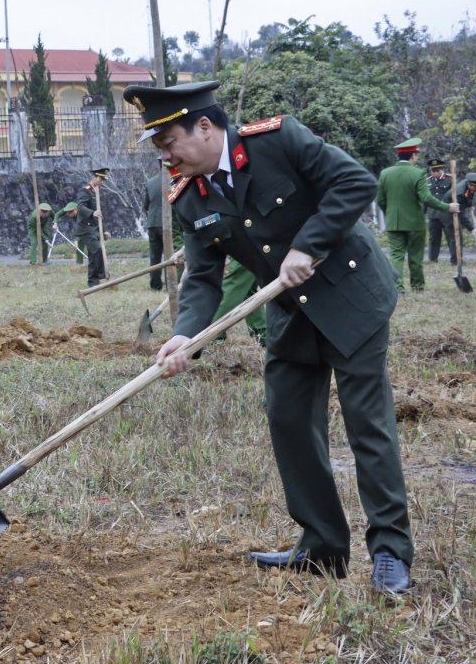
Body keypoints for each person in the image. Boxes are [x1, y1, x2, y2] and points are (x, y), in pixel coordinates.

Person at [129, 80, 413, 596]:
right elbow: (202, 278)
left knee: (366, 424)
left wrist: (308, 245)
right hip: (289, 312)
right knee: (288, 420)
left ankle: (391, 551)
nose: (165, 156)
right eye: (159, 148)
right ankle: (322, 548)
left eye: (169, 142)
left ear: (206, 127)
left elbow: (354, 183)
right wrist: (185, 335)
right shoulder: (188, 196)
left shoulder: (278, 141)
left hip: (351, 296)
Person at [375, 137, 458, 293]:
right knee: (415, 256)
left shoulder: (385, 173)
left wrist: (391, 212)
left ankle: (397, 289)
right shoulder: (418, 173)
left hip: (393, 223)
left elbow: (380, 200)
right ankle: (417, 287)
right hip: (414, 223)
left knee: (396, 256)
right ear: (413, 156)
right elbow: (426, 198)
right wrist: (447, 207)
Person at [144, 162, 183, 290]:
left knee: (154, 256)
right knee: (170, 255)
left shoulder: (150, 182)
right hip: (167, 223)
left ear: (158, 166)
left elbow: (146, 205)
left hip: (152, 224)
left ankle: (155, 285)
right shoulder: (174, 181)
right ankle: (170, 283)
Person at [74, 168, 109, 286]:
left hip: (94, 229)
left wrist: (103, 231)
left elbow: (98, 215)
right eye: (101, 178)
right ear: (93, 177)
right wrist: (92, 213)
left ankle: (93, 282)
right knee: (97, 249)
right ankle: (103, 276)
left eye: (104, 179)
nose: (102, 182)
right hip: (85, 229)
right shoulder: (85, 191)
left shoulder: (96, 192)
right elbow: (81, 207)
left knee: (93, 256)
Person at [426, 158, 460, 265]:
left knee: (452, 237)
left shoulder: (450, 179)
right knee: (433, 239)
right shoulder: (427, 181)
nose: (435, 173)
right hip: (433, 214)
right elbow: (426, 199)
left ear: (442, 169)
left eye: (437, 170)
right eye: (433, 171)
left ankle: (455, 260)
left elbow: (456, 195)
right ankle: (432, 260)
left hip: (447, 214)